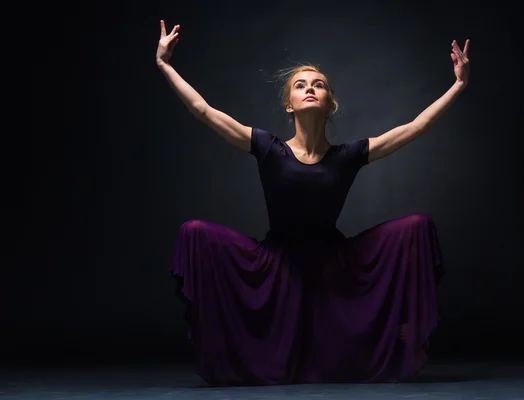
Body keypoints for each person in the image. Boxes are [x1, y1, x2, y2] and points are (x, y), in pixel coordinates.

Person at [156, 20, 470, 386]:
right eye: (300, 86)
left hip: (334, 265)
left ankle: (391, 335)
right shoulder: (268, 148)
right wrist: (165, 65)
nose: (309, 89)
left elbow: (415, 126)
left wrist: (459, 85)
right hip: (277, 263)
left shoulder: (349, 155)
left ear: (329, 103)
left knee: (416, 226)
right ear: (288, 105)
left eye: (317, 85)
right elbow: (204, 111)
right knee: (195, 233)